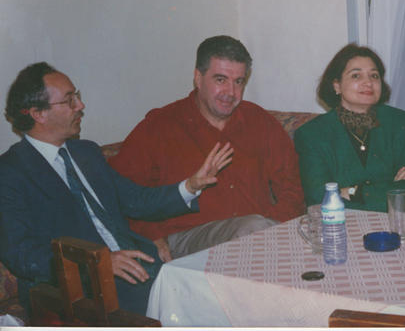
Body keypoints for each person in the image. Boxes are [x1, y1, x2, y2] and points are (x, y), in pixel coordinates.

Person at [0, 62, 233, 315]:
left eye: (77, 96)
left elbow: (136, 199)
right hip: (81, 290)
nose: (81, 105)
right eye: (69, 100)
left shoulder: (86, 152)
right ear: (38, 114)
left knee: (219, 290)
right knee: (199, 306)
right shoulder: (11, 172)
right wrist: (98, 263)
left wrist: (191, 185)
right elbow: (21, 254)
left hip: (136, 267)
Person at [109, 35, 305, 262]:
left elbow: (292, 186)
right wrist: (150, 235)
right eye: (220, 80)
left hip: (256, 233)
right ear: (198, 78)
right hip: (188, 238)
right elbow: (118, 191)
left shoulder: (260, 122)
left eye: (238, 82)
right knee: (253, 229)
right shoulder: (159, 126)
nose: (230, 92)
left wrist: (276, 225)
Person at [294, 43, 405, 214]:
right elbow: (319, 198)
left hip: (400, 220)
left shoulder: (402, 123)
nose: (368, 82)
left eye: (374, 76)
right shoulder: (312, 134)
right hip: (341, 223)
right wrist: (391, 188)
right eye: (356, 76)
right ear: (337, 85)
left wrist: (353, 192)